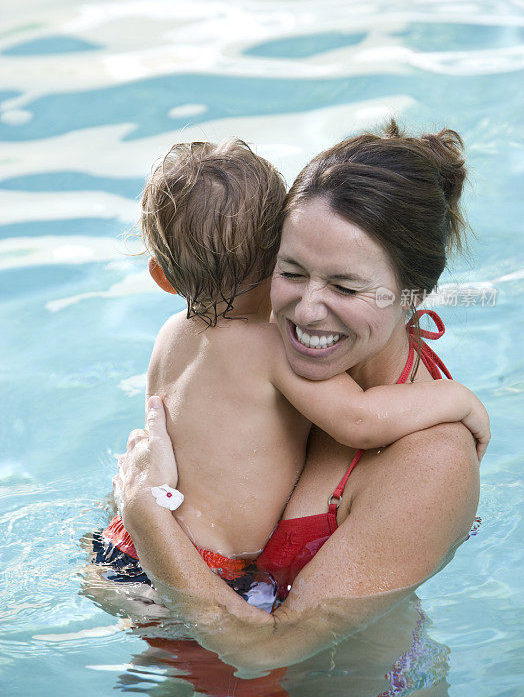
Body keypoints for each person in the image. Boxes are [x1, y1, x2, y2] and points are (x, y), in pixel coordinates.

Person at [112, 121, 486, 678]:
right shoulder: (263, 344)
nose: (306, 311)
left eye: (345, 286)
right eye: (289, 271)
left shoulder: (430, 460)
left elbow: (263, 651)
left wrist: (145, 513)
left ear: (413, 292)